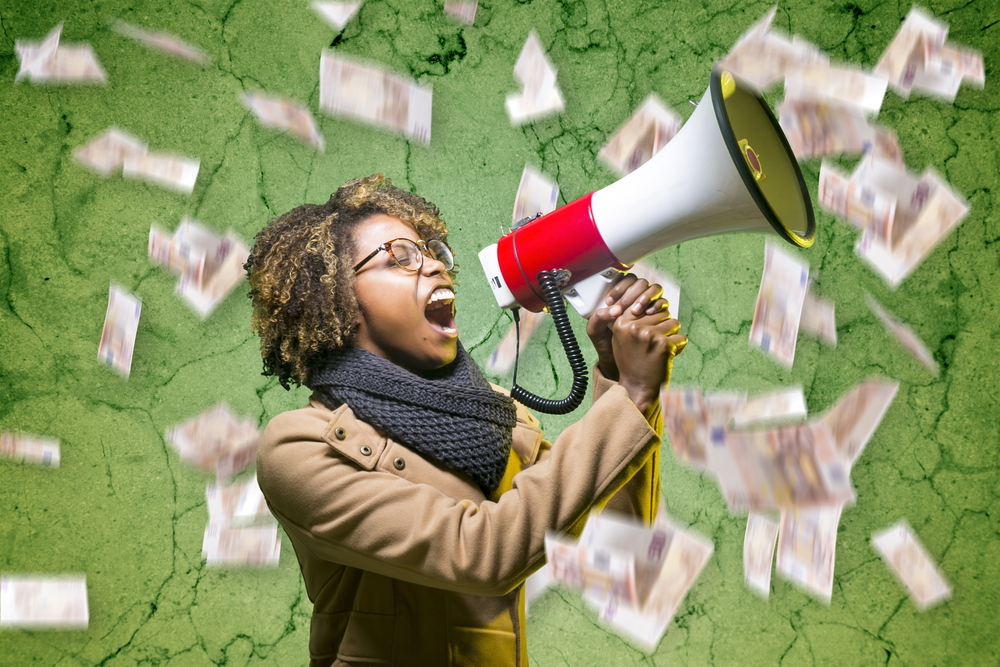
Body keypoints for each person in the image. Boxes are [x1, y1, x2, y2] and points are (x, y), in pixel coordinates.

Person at [245, 173, 687, 667]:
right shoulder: (301, 446)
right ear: (336, 299)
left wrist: (618, 380)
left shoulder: (495, 416)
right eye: (401, 256)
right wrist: (629, 399)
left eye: (432, 251)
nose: (435, 265)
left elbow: (620, 534)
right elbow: (481, 554)